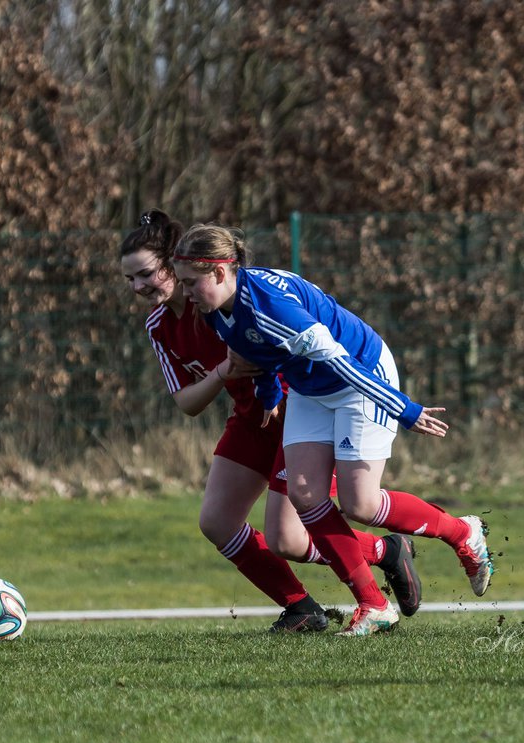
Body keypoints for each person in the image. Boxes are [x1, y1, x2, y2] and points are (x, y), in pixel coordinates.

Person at [171, 223, 493, 637]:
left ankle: (461, 531)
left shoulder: (272, 306)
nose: (186, 293)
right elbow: (258, 352)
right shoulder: (216, 309)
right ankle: (373, 605)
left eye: (191, 282)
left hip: (359, 375)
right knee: (306, 496)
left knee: (360, 503)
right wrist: (269, 393)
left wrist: (405, 409)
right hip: (309, 388)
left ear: (219, 272)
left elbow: (340, 361)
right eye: (181, 283)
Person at [120, 210, 422, 633]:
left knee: (290, 540)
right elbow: (187, 402)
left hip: (292, 410)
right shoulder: (161, 325)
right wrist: (223, 372)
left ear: (177, 265)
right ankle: (303, 606)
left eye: (145, 273)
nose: (138, 286)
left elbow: (287, 345)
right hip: (249, 417)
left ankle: (382, 567)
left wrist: (402, 408)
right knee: (216, 522)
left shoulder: (214, 300)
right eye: (130, 279)